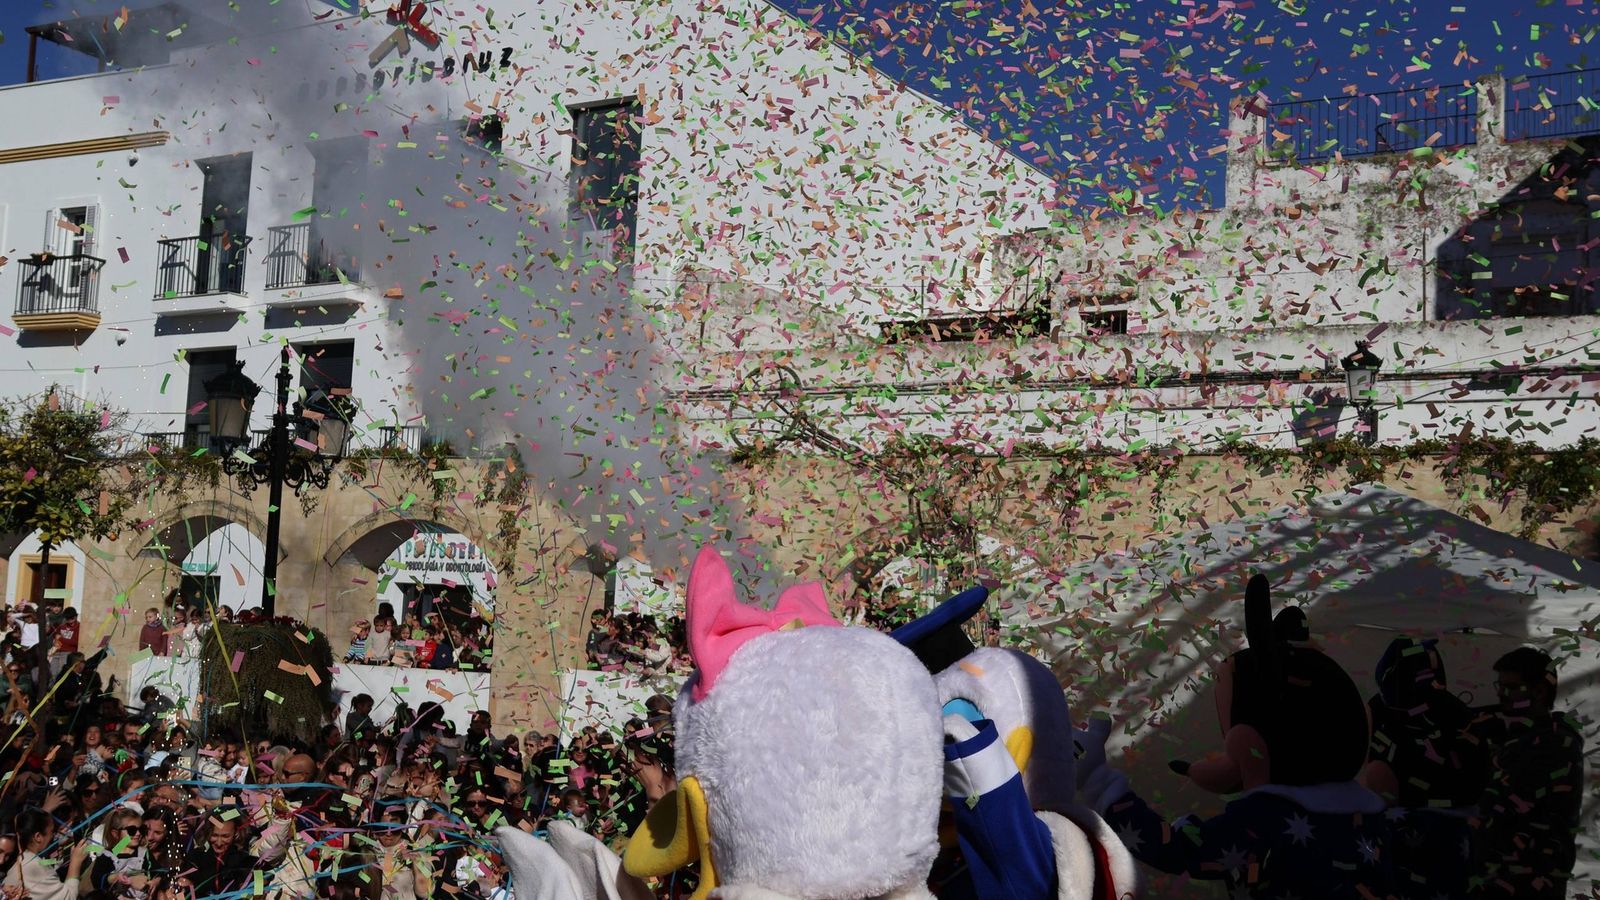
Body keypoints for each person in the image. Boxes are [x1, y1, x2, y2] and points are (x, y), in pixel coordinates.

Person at [1466, 646, 1586, 899]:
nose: (1501, 694)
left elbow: (1505, 803)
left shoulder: (1555, 743)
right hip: (1499, 876)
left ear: (1540, 690)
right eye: (1499, 686)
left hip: (1529, 881)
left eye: (1511, 687)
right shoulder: (1526, 736)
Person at [4, 809, 90, 900]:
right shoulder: (33, 867)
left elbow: (45, 865)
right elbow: (69, 897)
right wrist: (75, 863)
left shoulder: (24, 859)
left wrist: (58, 858)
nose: (54, 835)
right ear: (38, 837)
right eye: (52, 831)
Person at [181, 816, 254, 898]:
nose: (219, 843)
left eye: (225, 836)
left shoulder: (244, 861)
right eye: (214, 835)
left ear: (236, 833)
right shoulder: (194, 858)